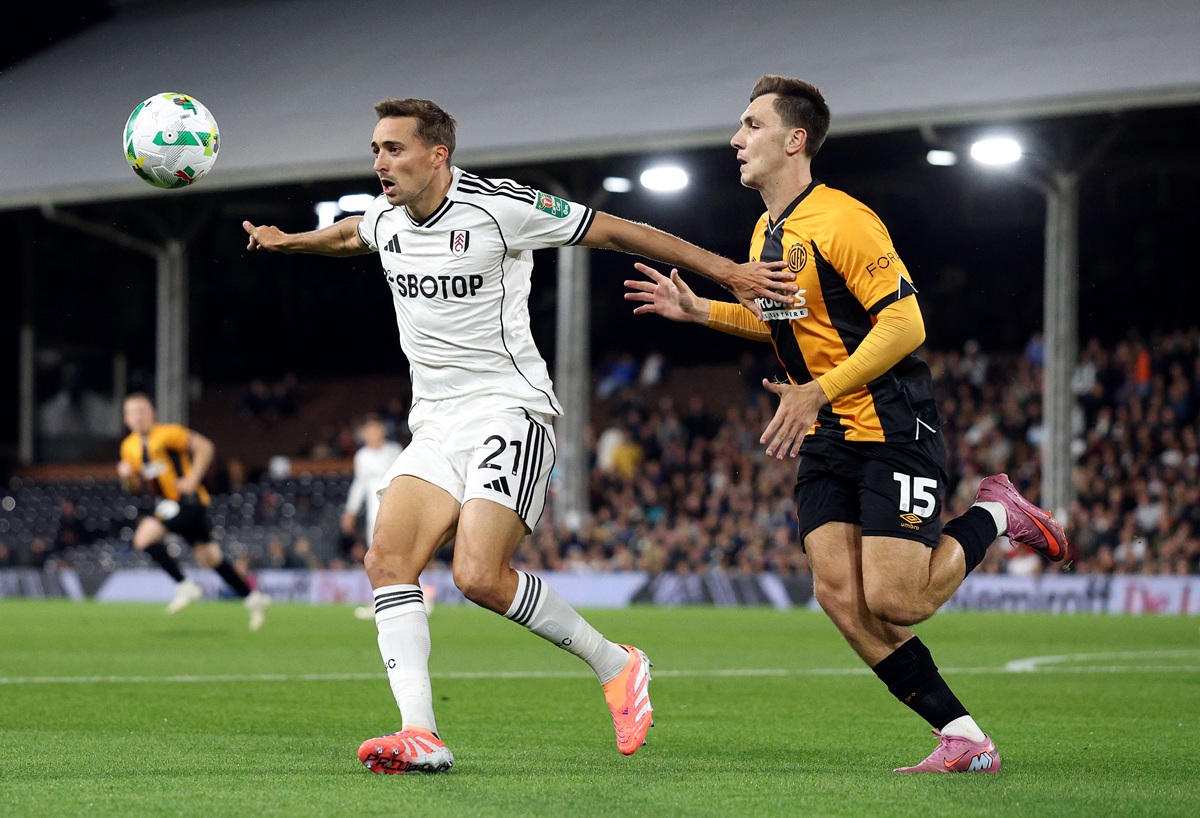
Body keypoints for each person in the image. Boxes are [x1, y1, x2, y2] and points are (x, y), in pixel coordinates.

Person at [242, 96, 795, 774]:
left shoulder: (500, 208)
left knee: (478, 575)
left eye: (393, 150)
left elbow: (621, 232)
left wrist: (730, 273)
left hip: (511, 409)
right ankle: (420, 732)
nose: (380, 163)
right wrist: (287, 240)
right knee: (387, 562)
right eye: (375, 151)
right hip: (436, 423)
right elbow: (349, 233)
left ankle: (616, 664)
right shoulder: (386, 216)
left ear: (436, 155)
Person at [624, 75, 1069, 774]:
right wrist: (702, 311)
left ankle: (993, 511)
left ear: (794, 140)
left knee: (898, 599)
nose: (735, 140)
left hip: (892, 422)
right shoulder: (765, 231)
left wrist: (817, 390)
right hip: (830, 429)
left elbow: (907, 320)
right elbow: (783, 321)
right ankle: (963, 736)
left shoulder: (843, 219)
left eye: (750, 126)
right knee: (838, 595)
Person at [117, 393, 271, 630]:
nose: (137, 417)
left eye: (142, 411)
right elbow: (135, 488)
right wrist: (127, 477)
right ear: (126, 419)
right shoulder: (128, 447)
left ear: (152, 414)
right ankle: (253, 598)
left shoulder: (168, 433)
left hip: (188, 501)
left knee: (143, 538)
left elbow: (205, 446)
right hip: (168, 504)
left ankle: (184, 586)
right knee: (210, 558)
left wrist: (192, 478)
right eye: (132, 413)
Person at [342, 413, 406, 621]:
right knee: (376, 558)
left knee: (401, 555)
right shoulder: (362, 456)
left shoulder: (395, 452)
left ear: (383, 431)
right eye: (368, 430)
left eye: (375, 429)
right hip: (373, 514)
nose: (372, 434)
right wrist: (350, 511)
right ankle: (381, 602)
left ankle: (416, 597)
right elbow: (359, 485)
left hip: (396, 511)